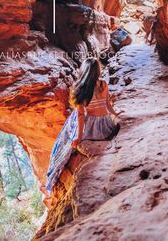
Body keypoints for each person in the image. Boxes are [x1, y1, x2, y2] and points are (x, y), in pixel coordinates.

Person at [46, 57, 123, 193]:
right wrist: (115, 114)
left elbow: (81, 116)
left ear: (83, 71)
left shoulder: (80, 88)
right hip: (105, 125)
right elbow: (107, 104)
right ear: (97, 71)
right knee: (76, 114)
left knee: (73, 118)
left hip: (92, 129)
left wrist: (79, 137)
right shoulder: (103, 84)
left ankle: (55, 163)